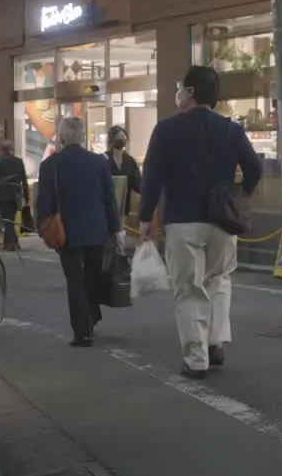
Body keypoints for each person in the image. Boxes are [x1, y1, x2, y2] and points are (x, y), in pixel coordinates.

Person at [138, 66, 264, 379]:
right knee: (218, 279)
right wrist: (239, 194)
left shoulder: (166, 130)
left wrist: (145, 218)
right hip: (222, 219)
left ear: (190, 93)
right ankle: (215, 342)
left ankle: (196, 359)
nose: (178, 92)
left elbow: (152, 178)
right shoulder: (231, 130)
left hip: (182, 220)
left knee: (189, 288)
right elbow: (254, 168)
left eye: (181, 87)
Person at [36, 117, 122, 348]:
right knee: (93, 277)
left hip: (67, 232)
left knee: (75, 280)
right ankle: (91, 317)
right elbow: (108, 199)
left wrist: (42, 226)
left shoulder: (50, 166)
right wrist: (116, 229)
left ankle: (82, 332)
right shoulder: (99, 162)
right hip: (97, 230)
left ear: (61, 137)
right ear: (83, 137)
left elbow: (44, 202)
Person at [0, 139, 28, 251]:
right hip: (15, 194)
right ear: (11, 149)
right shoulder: (18, 161)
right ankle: (10, 242)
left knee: (6, 219)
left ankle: (11, 243)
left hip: (3, 194)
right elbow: (23, 179)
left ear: (1, 149)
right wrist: (26, 196)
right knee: (11, 218)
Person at [104, 125, 142, 217]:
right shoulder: (103, 158)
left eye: (123, 137)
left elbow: (138, 183)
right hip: (106, 206)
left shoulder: (129, 160)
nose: (121, 139)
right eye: (118, 137)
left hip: (124, 207)